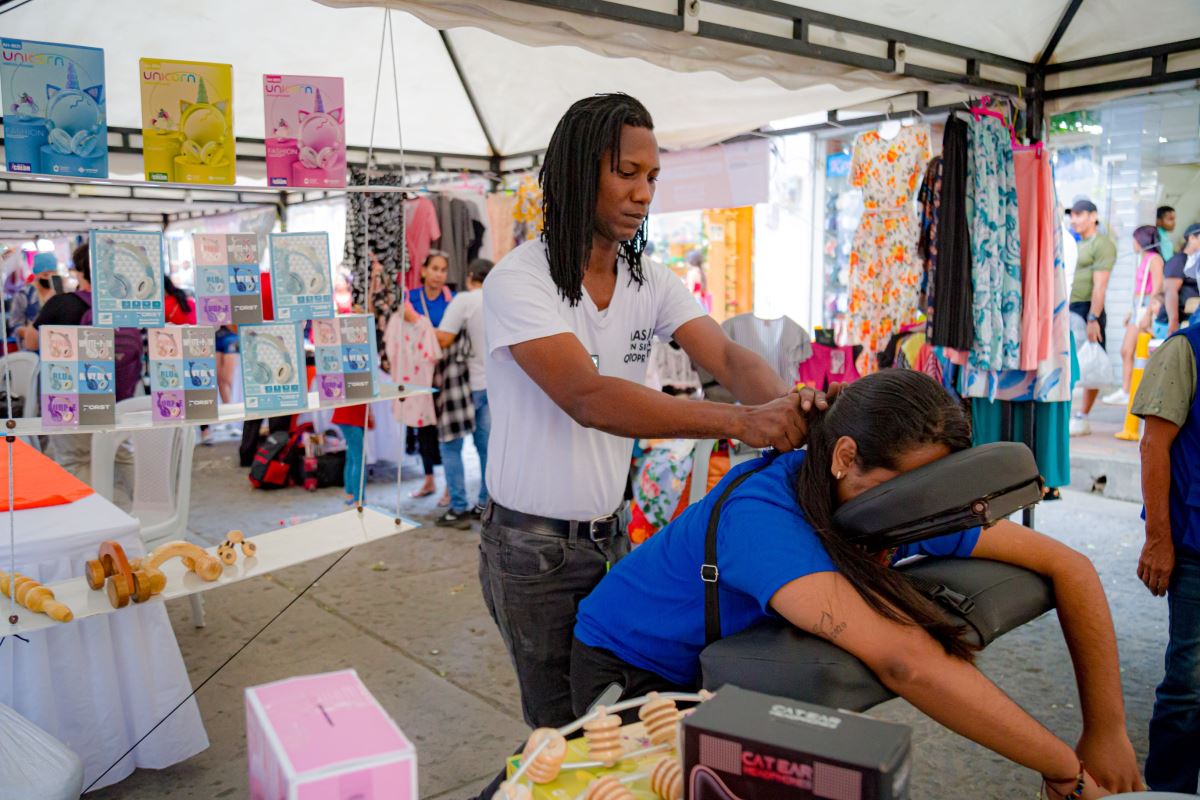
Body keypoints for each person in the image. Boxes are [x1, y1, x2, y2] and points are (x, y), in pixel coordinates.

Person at [573, 370, 1141, 798]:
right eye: (905, 492)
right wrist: (1065, 771)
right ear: (846, 456)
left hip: (726, 666)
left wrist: (1107, 730)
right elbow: (905, 660)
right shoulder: (762, 518)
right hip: (630, 668)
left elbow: (1073, 568)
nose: (917, 511)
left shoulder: (899, 498)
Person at [480, 92, 820, 734]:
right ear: (581, 172)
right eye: (626, 173)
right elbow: (589, 397)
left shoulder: (651, 282)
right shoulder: (519, 280)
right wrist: (743, 423)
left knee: (625, 718)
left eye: (653, 177)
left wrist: (786, 403)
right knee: (568, 734)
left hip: (611, 534)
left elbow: (723, 353)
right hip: (533, 551)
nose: (643, 193)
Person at [1131, 320, 1200, 792]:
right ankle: (1168, 792)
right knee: (1187, 690)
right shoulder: (1185, 348)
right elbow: (1154, 444)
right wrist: (1159, 540)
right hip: (1196, 546)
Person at [26, 243, 144, 478]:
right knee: (122, 455)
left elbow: (31, 342)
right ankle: (143, 509)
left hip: (72, 401)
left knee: (75, 460)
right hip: (121, 397)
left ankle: (90, 513)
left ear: (78, 271)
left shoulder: (62, 303)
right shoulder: (123, 306)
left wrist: (49, 298)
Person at [434, 258, 492, 529]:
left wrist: (417, 325)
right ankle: (485, 505)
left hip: (462, 384)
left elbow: (444, 338)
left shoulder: (464, 300)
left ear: (470, 277)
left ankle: (457, 507)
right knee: (486, 448)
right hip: (492, 385)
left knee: (451, 445)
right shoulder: (500, 300)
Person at [405, 251, 455, 501]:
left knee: (445, 428)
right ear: (423, 271)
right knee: (422, 424)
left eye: (443, 270)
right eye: (434, 268)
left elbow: (452, 336)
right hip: (418, 370)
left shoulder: (452, 299)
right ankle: (428, 480)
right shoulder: (410, 298)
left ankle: (450, 484)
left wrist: (425, 330)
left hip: (445, 372)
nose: (439, 274)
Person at [1068, 199, 1117, 436]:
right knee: (1070, 364)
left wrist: (1093, 317)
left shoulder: (1102, 244)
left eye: (1079, 214)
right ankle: (1070, 413)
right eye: (1072, 215)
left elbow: (1100, 286)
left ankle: (1082, 416)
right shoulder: (1076, 242)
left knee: (1091, 365)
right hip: (1068, 308)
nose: (1074, 219)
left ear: (1093, 216)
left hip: (1087, 310)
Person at [1103, 226, 1164, 406]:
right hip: (1138, 306)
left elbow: (1158, 285)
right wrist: (1132, 311)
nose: (1133, 243)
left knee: (1132, 351)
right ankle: (1126, 390)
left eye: (1135, 239)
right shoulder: (1143, 259)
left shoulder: (1154, 259)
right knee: (1128, 351)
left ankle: (1128, 391)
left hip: (1145, 307)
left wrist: (1148, 313)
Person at [1157, 222, 1200, 339]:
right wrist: (1173, 322)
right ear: (1192, 238)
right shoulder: (1180, 260)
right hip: (1173, 324)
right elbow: (1170, 291)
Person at [10, 252, 59, 348]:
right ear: (36, 274)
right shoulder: (24, 295)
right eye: (45, 274)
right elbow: (15, 325)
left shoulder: (60, 293)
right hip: (33, 347)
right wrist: (34, 335)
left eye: (53, 274)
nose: (49, 278)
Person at [332, 402, 369, 506]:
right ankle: (358, 500)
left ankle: (351, 495)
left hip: (351, 414)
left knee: (352, 457)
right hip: (351, 415)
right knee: (358, 459)